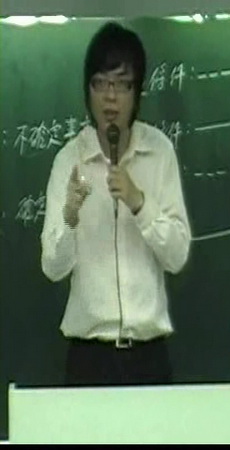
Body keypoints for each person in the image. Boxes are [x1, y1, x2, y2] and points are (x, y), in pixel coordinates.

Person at [40, 22, 191, 386]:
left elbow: (177, 256)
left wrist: (140, 204)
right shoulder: (70, 161)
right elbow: (52, 268)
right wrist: (70, 215)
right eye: (100, 84)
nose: (110, 98)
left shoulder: (158, 152)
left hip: (148, 355)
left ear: (137, 93)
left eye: (122, 85)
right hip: (89, 357)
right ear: (88, 90)